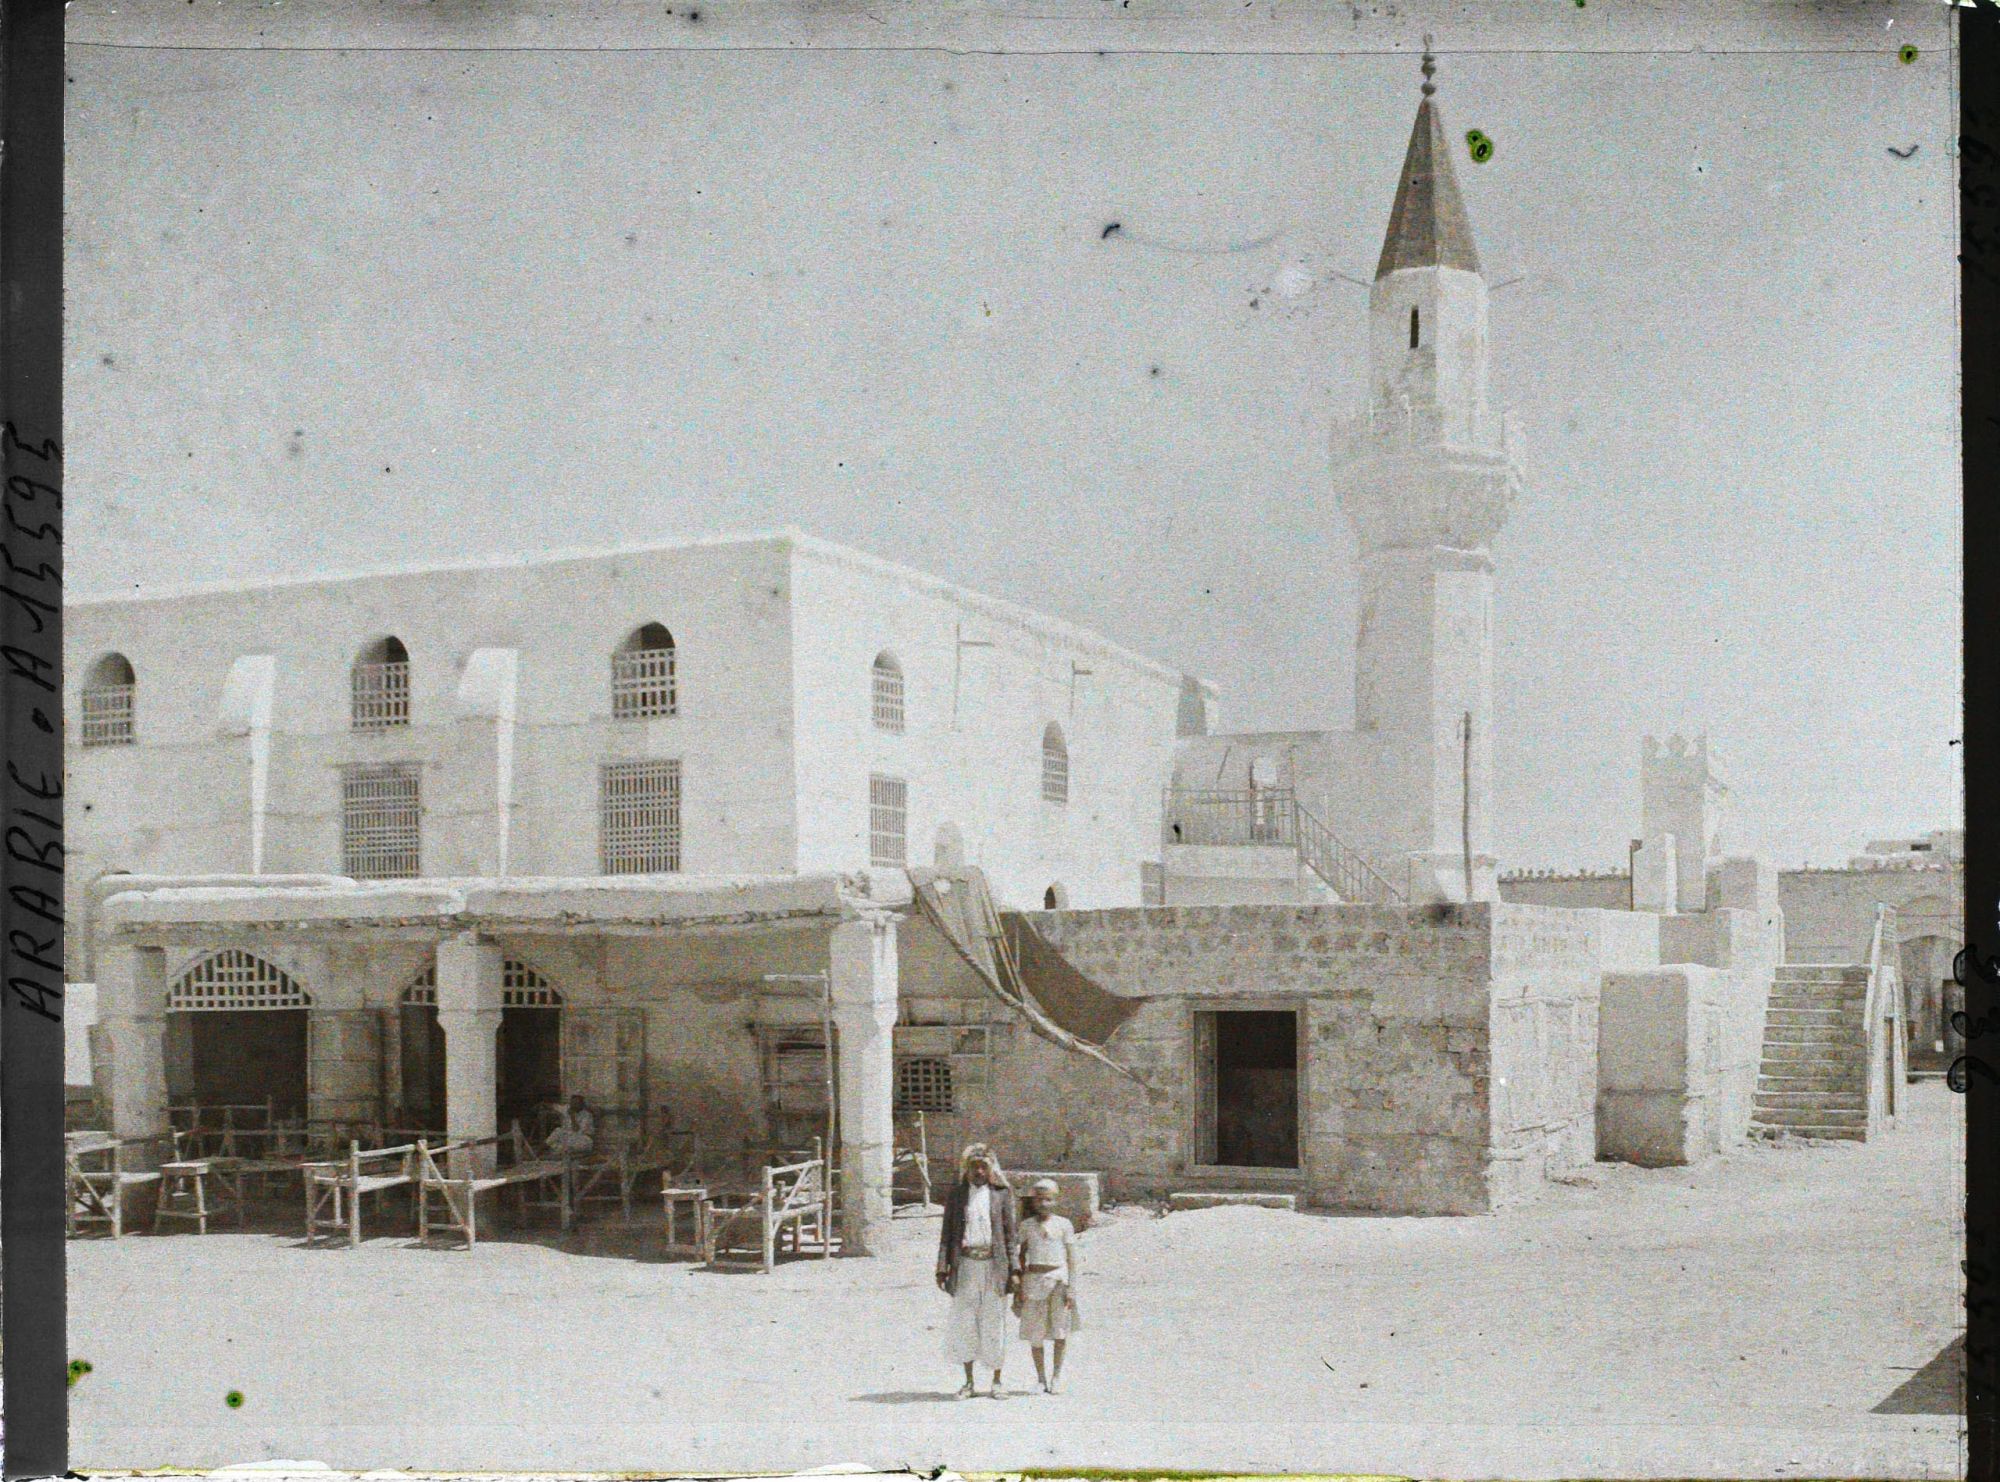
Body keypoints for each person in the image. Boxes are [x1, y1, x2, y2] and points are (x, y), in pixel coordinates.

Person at [936, 1142, 1017, 1398]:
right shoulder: (957, 1195)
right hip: (966, 1266)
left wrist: (1014, 1269)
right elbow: (947, 1234)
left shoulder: (1002, 1194)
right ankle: (968, 1382)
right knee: (965, 1323)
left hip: (994, 1266)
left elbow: (1010, 1235)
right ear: (966, 1169)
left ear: (991, 1168)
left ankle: (997, 1381)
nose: (979, 1172)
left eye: (984, 1166)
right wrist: (942, 1268)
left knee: (994, 1322)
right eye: (974, 1167)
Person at [1013, 1177, 1080, 1394]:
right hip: (1034, 1281)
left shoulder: (1063, 1225)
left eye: (1048, 1200)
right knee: (1036, 1332)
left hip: (1058, 1280)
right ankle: (1040, 1379)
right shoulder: (1026, 1226)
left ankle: (1056, 1377)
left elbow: (1071, 1258)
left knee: (1060, 1330)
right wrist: (1019, 1286)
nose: (1043, 1204)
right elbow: (1020, 1256)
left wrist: (1072, 1287)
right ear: (1033, 1202)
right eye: (1039, 1200)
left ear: (1055, 1201)